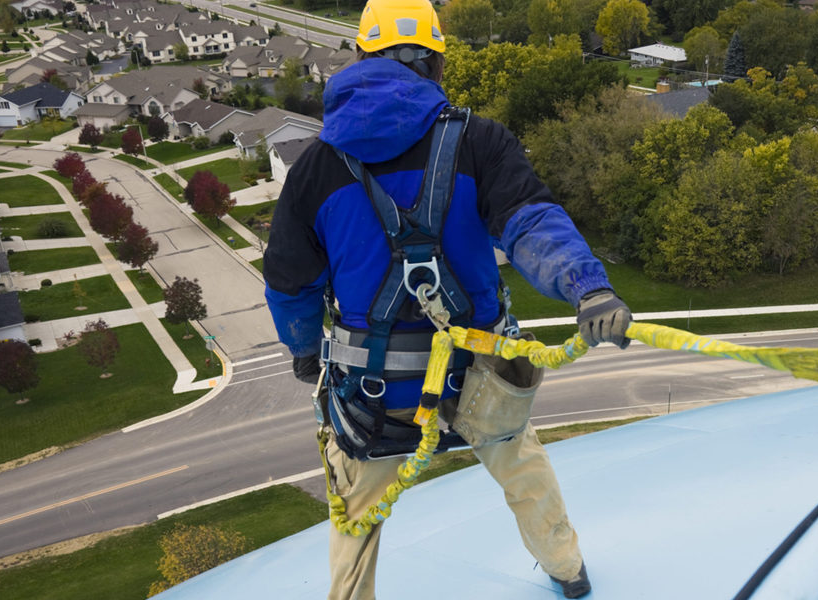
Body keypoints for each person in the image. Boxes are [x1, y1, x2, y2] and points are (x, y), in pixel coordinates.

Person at [262, 0, 632, 598]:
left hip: (374, 397)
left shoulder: (315, 168)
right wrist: (587, 286)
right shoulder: (478, 141)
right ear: (435, 65)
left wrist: (306, 352)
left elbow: (289, 286)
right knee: (526, 473)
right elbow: (531, 223)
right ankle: (569, 571)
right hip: (480, 378)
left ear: (359, 58)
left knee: (354, 524)